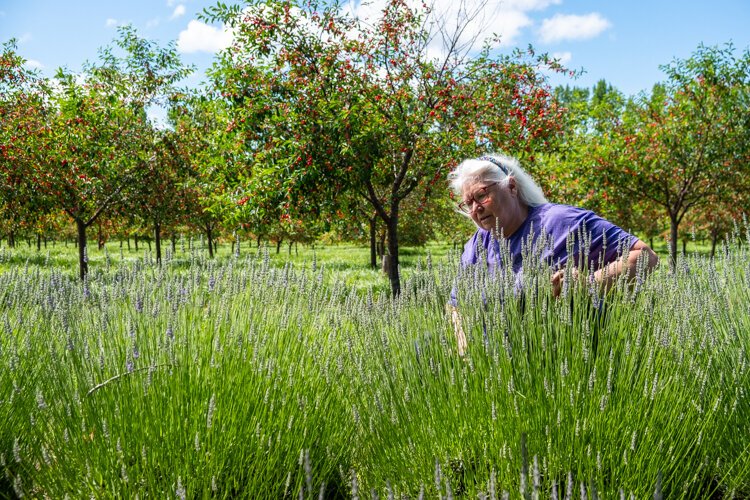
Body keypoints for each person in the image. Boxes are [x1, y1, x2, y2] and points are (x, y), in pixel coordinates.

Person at [447, 154, 659, 355]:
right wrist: (464, 348)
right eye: (468, 203)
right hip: (494, 366)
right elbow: (454, 304)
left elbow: (645, 257)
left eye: (482, 195)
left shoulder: (561, 222)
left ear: (511, 187)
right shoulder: (478, 244)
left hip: (561, 362)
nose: (476, 209)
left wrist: (590, 284)